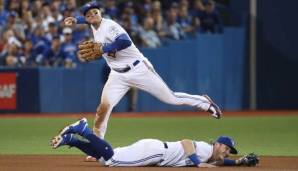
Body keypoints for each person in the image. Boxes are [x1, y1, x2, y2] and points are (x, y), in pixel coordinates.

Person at [64, 1, 222, 139]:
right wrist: (76, 20)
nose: (93, 14)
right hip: (117, 75)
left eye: (96, 11)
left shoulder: (110, 25)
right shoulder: (93, 25)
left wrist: (104, 47)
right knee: (103, 109)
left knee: (171, 98)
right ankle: (98, 147)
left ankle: (205, 103)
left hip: (138, 69)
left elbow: (124, 41)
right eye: (89, 14)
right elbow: (88, 21)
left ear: (100, 13)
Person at [50, 118, 259, 167]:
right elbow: (186, 142)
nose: (228, 152)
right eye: (227, 149)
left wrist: (238, 162)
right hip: (156, 152)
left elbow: (219, 163)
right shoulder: (206, 149)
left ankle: (71, 140)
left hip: (153, 148)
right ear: (219, 145)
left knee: (104, 159)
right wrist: (197, 162)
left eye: (230, 151)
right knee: (111, 160)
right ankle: (83, 128)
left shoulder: (212, 155)